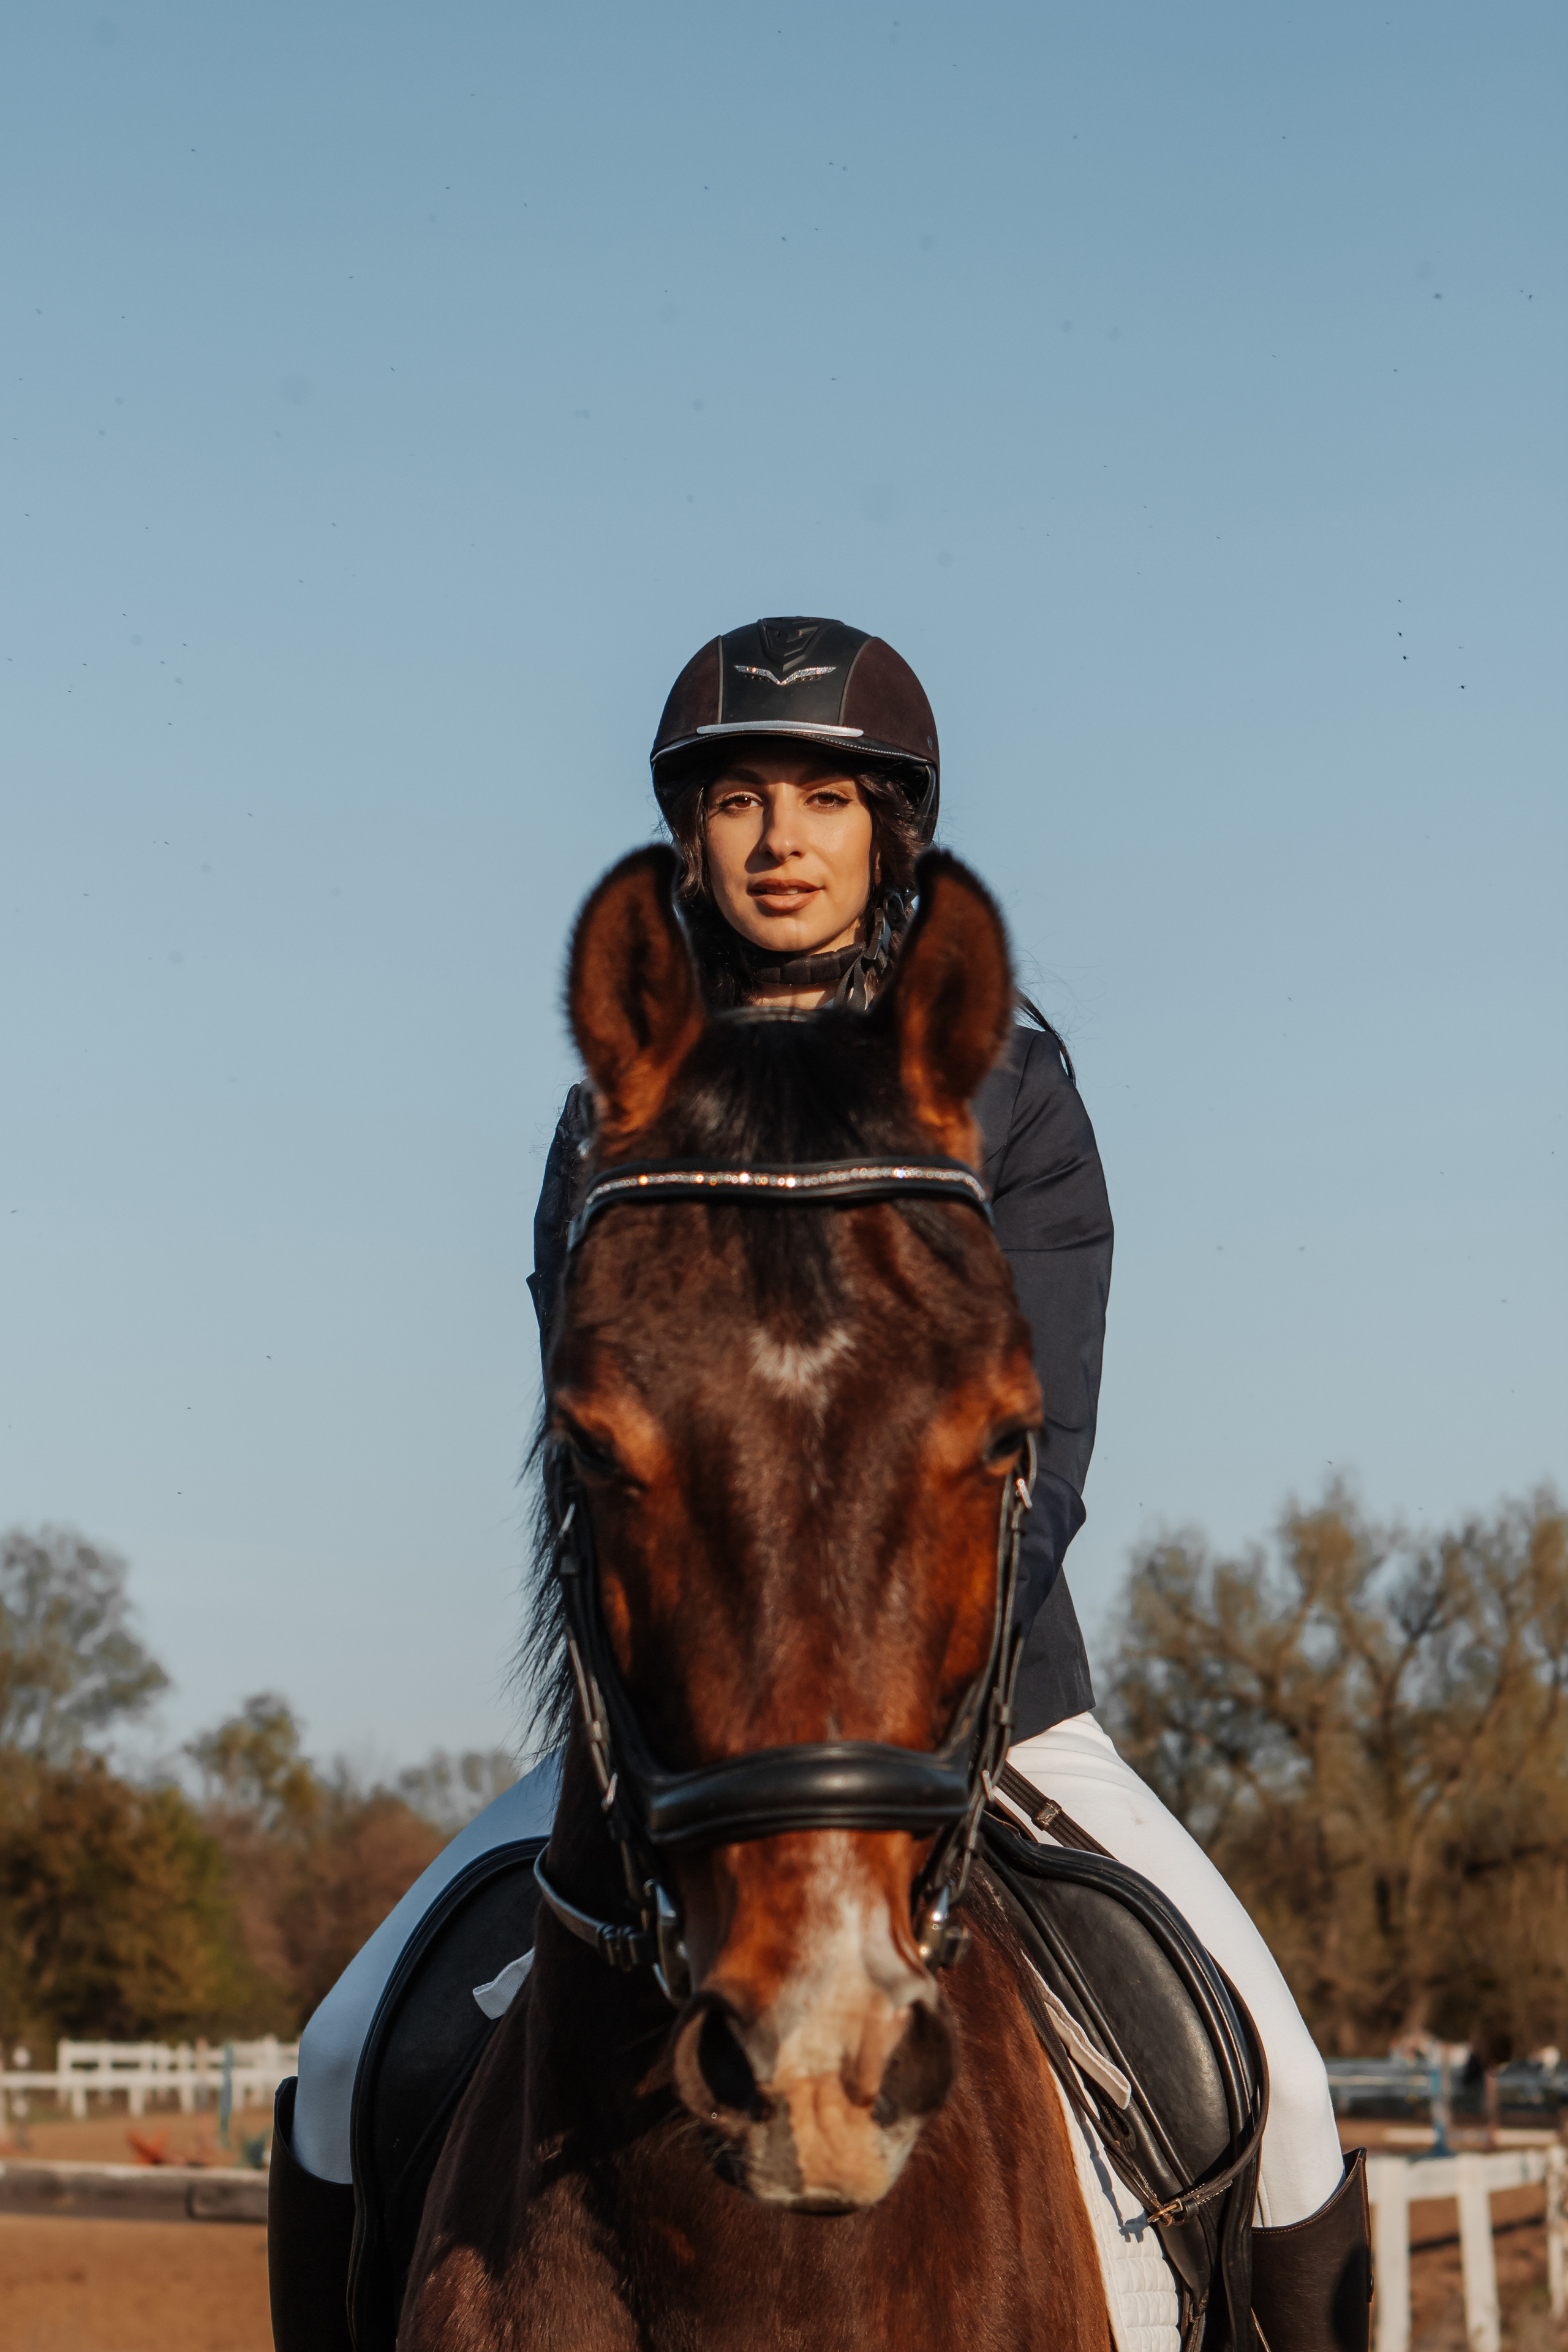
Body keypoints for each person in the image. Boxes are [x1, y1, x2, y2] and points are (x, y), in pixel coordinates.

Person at [277, 616, 1367, 2352]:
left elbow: (1044, 1441)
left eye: (824, 797)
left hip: (980, 1703)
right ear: (685, 836)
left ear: (893, 831)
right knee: (339, 2071)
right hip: (674, 1732)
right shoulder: (615, 1109)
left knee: (1288, 2100)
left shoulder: (1008, 1083)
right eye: (736, 799)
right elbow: (606, 1451)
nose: (781, 839)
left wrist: (929, 1686)